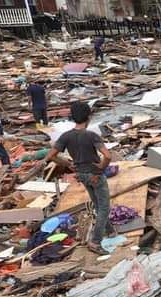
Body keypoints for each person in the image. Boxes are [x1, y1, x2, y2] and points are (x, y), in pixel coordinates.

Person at [46, 102, 112, 254]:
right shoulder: (91, 135)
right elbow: (108, 156)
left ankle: (109, 230)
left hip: (81, 174)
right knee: (104, 207)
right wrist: (100, 170)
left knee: (97, 203)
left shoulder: (66, 136)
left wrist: (68, 164)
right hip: (94, 175)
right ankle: (95, 241)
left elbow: (51, 156)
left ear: (73, 118)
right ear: (88, 117)